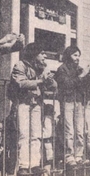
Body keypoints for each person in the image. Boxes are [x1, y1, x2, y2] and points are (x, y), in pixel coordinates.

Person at [9, 43, 57, 175]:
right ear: (34, 54)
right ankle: (23, 166)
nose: (45, 56)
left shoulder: (42, 68)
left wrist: (50, 81)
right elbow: (20, 82)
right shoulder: (20, 65)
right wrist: (41, 81)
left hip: (36, 104)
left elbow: (54, 86)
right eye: (42, 53)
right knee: (24, 134)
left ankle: (35, 164)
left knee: (36, 135)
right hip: (23, 103)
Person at [55, 46, 88, 168]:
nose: (77, 58)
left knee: (79, 129)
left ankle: (79, 155)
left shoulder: (80, 69)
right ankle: (69, 156)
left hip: (78, 101)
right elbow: (66, 84)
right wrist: (80, 78)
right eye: (75, 55)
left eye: (79, 55)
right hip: (67, 101)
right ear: (68, 55)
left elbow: (84, 86)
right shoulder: (62, 69)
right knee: (69, 129)